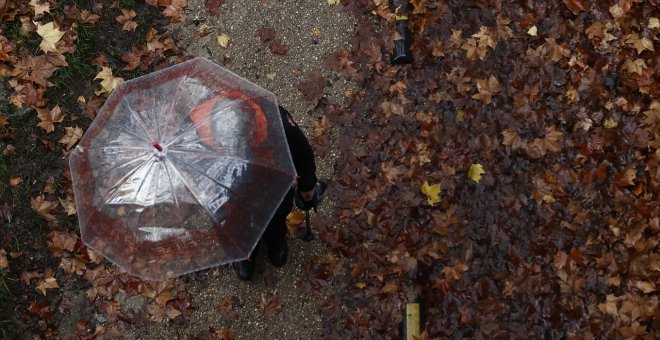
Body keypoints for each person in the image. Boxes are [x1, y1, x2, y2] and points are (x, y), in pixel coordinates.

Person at [234, 105, 318, 281]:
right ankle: (246, 253)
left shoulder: (277, 123)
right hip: (231, 189)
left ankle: (276, 241)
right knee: (235, 224)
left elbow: (302, 154)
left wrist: (307, 185)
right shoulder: (200, 130)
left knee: (275, 216)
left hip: (272, 180)